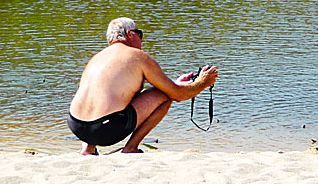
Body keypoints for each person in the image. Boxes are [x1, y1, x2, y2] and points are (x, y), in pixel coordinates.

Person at [68, 17, 218, 155]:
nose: (142, 40)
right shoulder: (137, 56)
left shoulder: (98, 58)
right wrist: (203, 82)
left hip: (77, 126)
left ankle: (87, 149)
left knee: (100, 95)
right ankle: (131, 148)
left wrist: (175, 84)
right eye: (140, 34)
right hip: (104, 129)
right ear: (130, 34)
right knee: (166, 95)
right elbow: (177, 95)